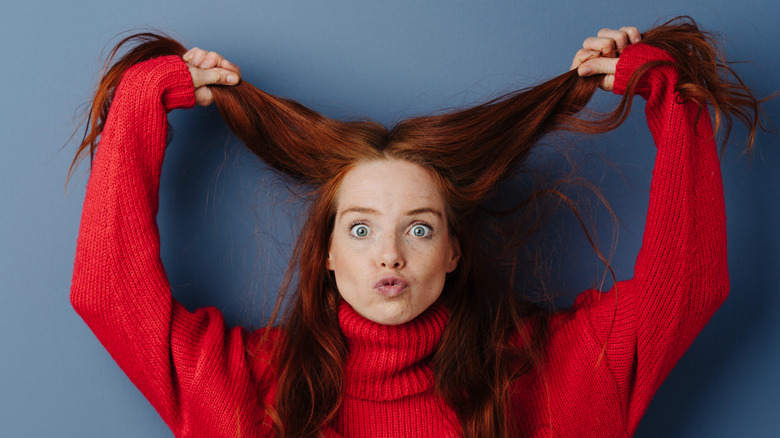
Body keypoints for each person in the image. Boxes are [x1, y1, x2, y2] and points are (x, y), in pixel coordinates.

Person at [70, 18, 763, 437]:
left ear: (455, 250)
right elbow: (108, 297)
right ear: (327, 252)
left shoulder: (552, 372)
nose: (390, 255)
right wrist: (138, 107)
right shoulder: (248, 388)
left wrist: (671, 101)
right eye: (360, 229)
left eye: (421, 229)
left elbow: (688, 287)